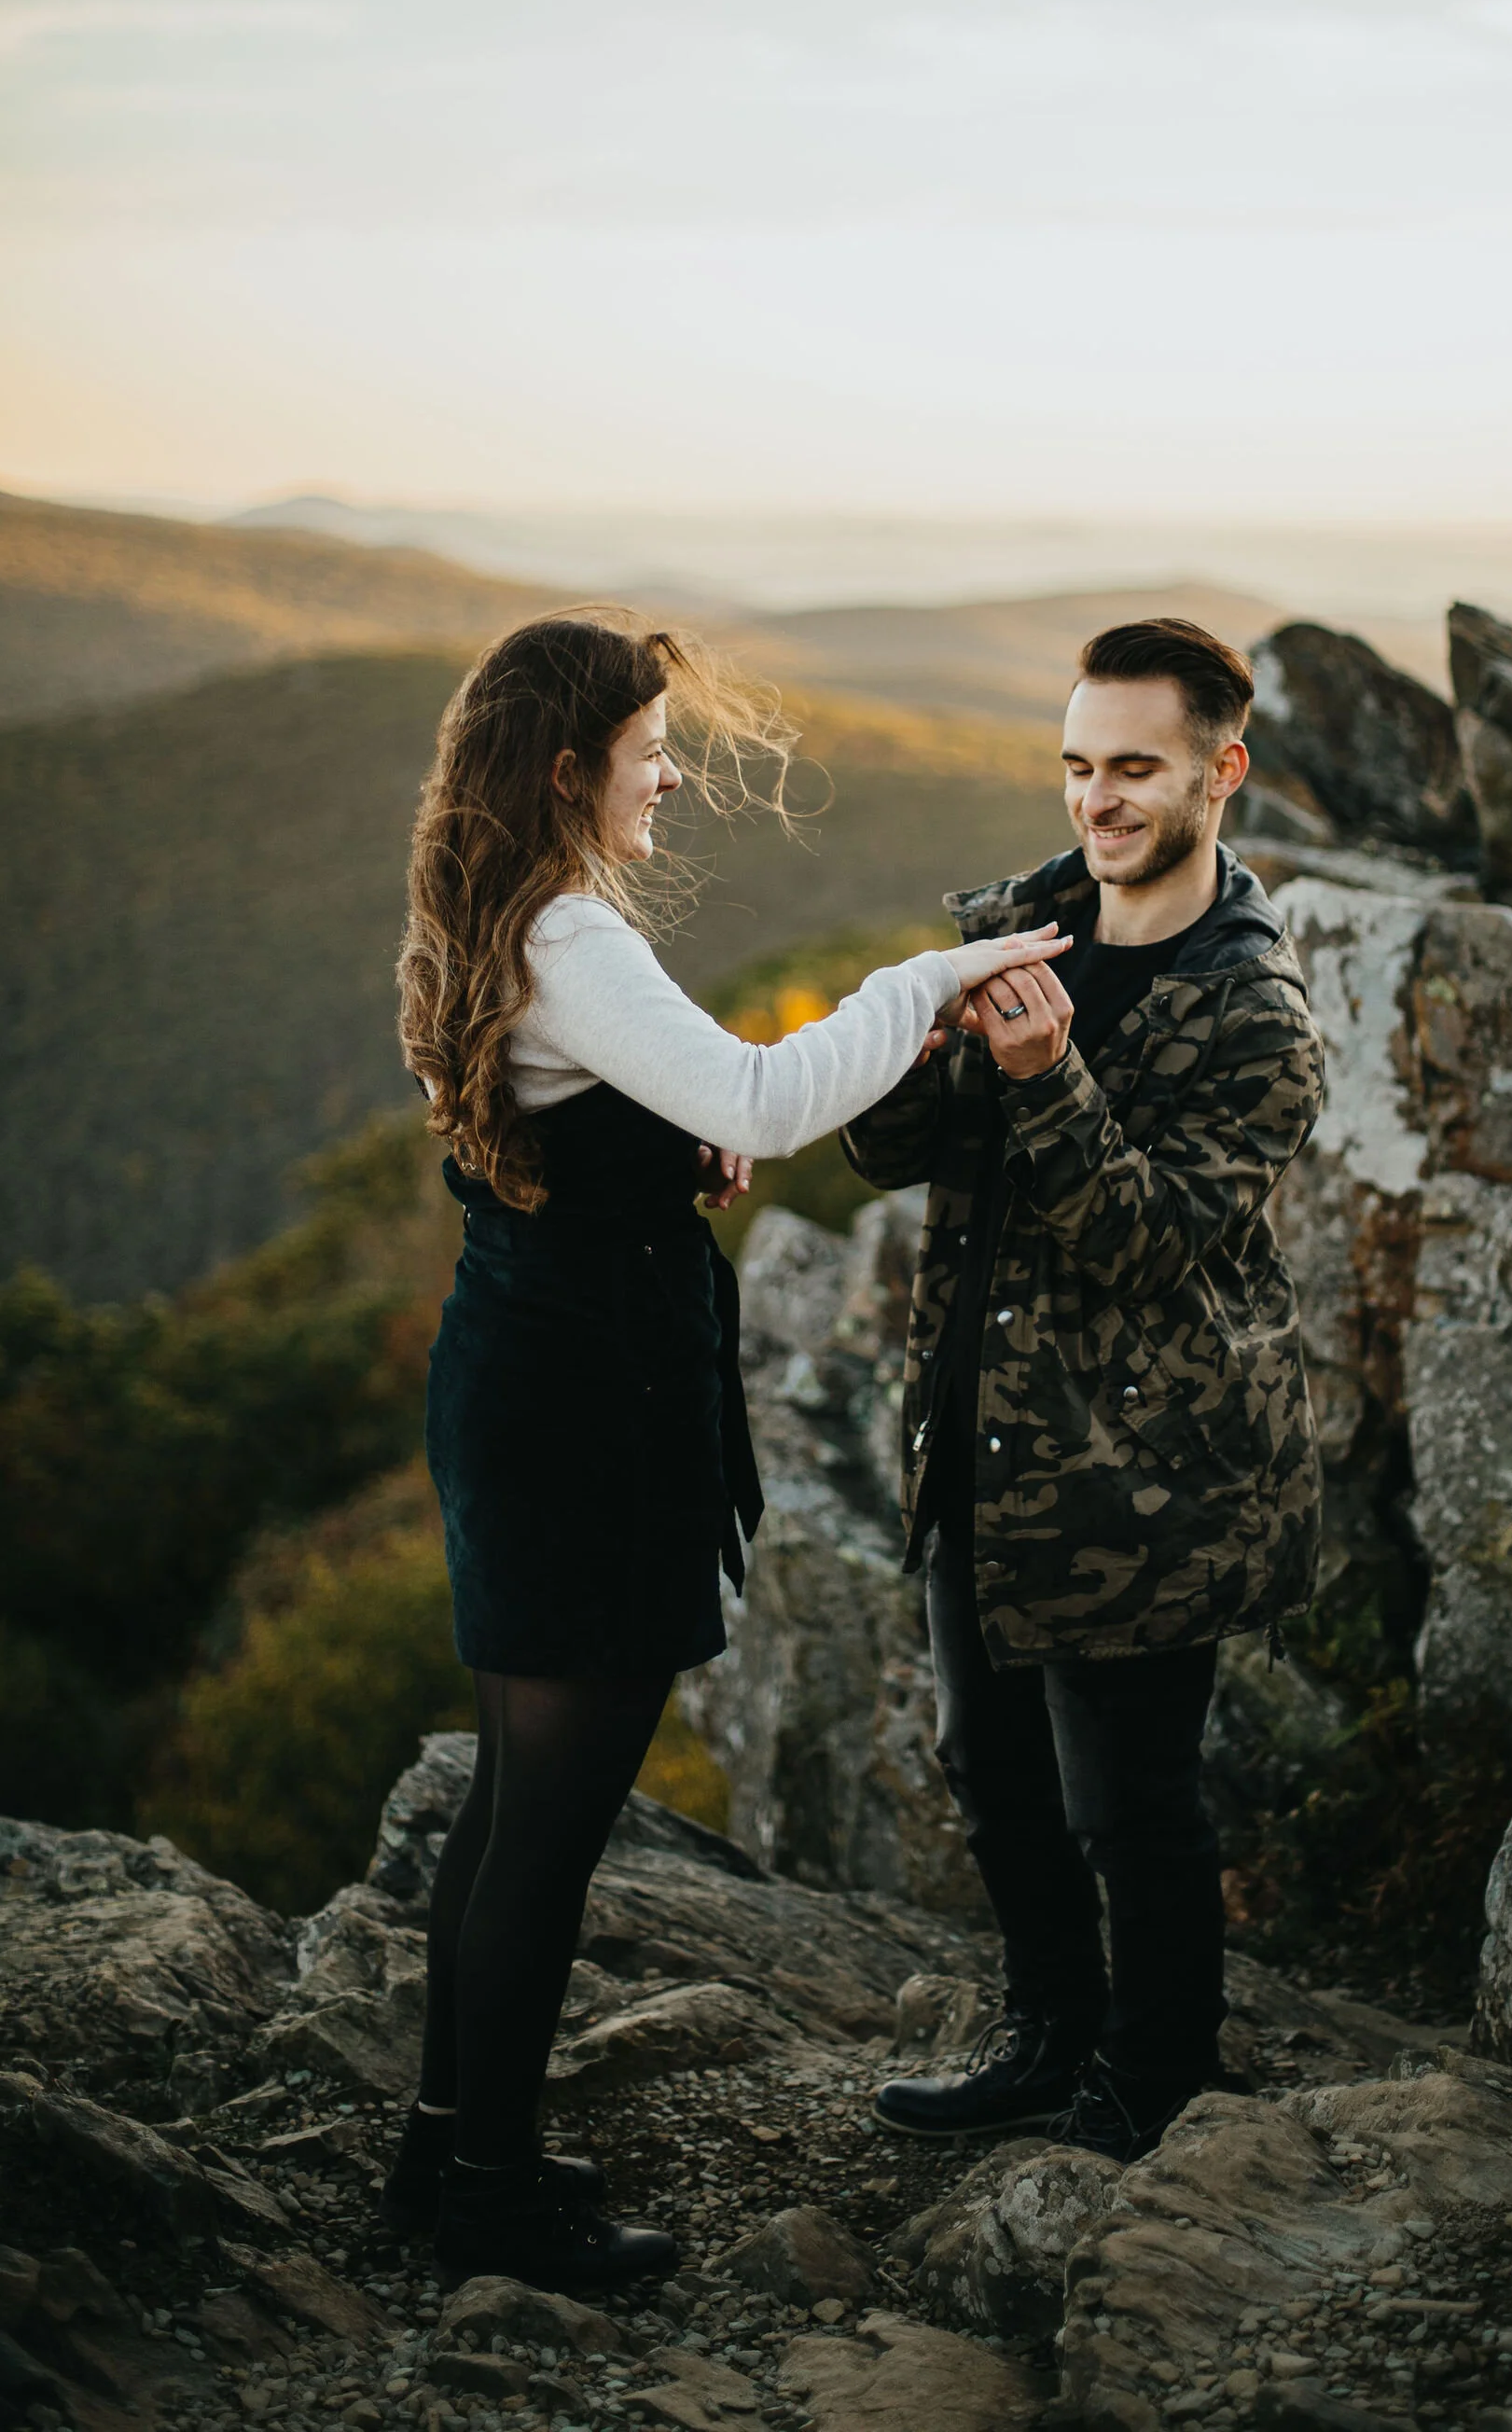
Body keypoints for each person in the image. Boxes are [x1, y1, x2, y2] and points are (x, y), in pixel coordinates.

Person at [383, 613, 1069, 2289]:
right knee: (546, 1824)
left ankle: (442, 2153)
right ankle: (489, 2195)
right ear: (568, 772)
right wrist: (927, 980)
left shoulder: (499, 922)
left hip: (526, 1382)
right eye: (646, 755)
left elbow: (575, 1131)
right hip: (585, 1420)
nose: (670, 776)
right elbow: (766, 1099)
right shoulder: (571, 935)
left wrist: (654, 1156)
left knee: (507, 1801)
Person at [842, 616, 1325, 2161]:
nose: (1095, 800)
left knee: (1134, 1806)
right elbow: (884, 1151)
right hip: (980, 1443)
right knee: (991, 1771)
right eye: (1075, 766)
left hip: (1145, 1479)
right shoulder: (1023, 928)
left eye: (1133, 768)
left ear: (1219, 774)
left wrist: (1053, 1084)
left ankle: (1158, 2076)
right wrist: (919, 1048)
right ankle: (1047, 2036)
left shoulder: (1255, 1013)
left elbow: (1155, 1250)